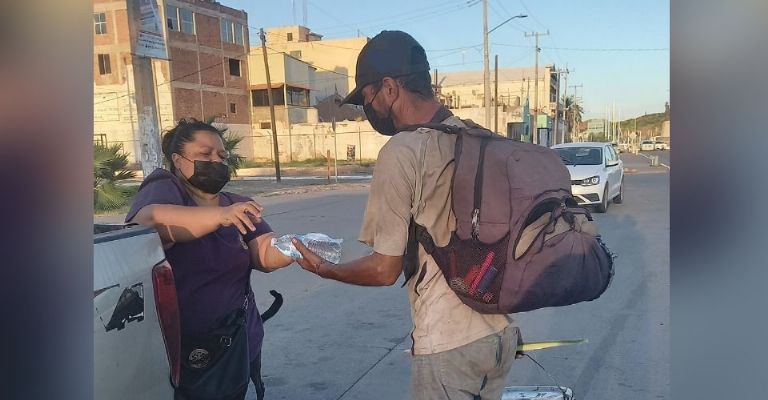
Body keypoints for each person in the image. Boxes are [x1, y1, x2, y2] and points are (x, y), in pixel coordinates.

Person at [292, 31, 521, 400]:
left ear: (389, 88)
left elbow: (385, 270)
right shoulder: (478, 136)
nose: (367, 108)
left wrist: (325, 268)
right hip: (499, 333)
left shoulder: (403, 151)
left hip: (450, 344)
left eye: (367, 97)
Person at [126, 118, 294, 400]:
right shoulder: (167, 189)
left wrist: (295, 248)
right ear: (178, 160)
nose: (216, 161)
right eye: (205, 155)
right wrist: (219, 217)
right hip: (181, 351)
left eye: (221, 155)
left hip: (237, 341)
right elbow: (147, 222)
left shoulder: (234, 202)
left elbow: (264, 252)